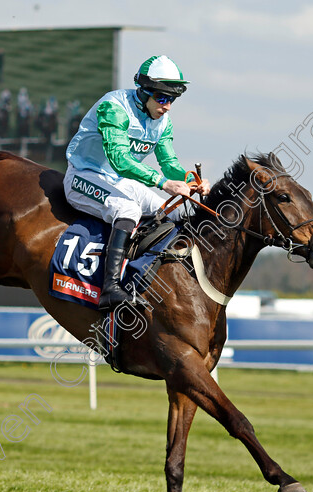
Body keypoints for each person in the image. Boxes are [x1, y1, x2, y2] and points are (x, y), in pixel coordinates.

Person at [63, 55, 210, 311]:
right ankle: (110, 289)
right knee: (128, 210)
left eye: (172, 100)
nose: (167, 106)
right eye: (162, 98)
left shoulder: (163, 121)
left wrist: (190, 180)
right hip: (82, 175)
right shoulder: (113, 107)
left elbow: (169, 163)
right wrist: (163, 183)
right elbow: (119, 159)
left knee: (173, 211)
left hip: (116, 181)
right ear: (143, 93)